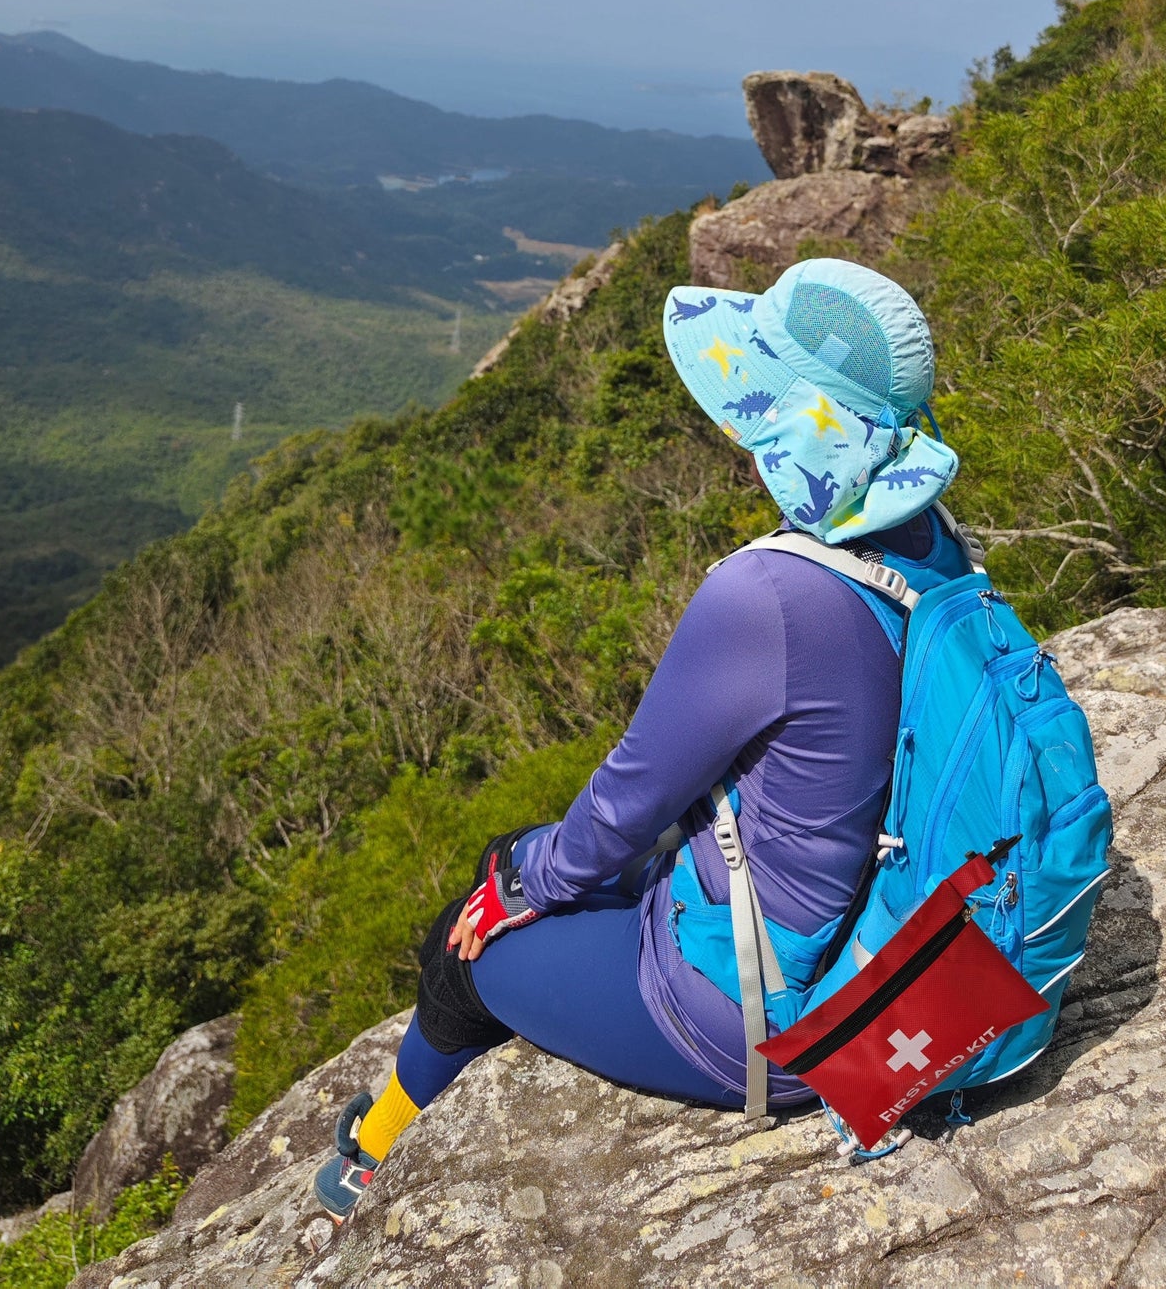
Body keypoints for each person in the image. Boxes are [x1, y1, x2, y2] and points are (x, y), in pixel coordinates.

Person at [313, 257, 964, 1222]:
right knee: (524, 864)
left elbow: (630, 798)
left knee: (468, 939)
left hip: (755, 1006)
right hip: (875, 935)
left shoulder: (769, 594)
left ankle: (371, 1154)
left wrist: (515, 888)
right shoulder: (930, 542)